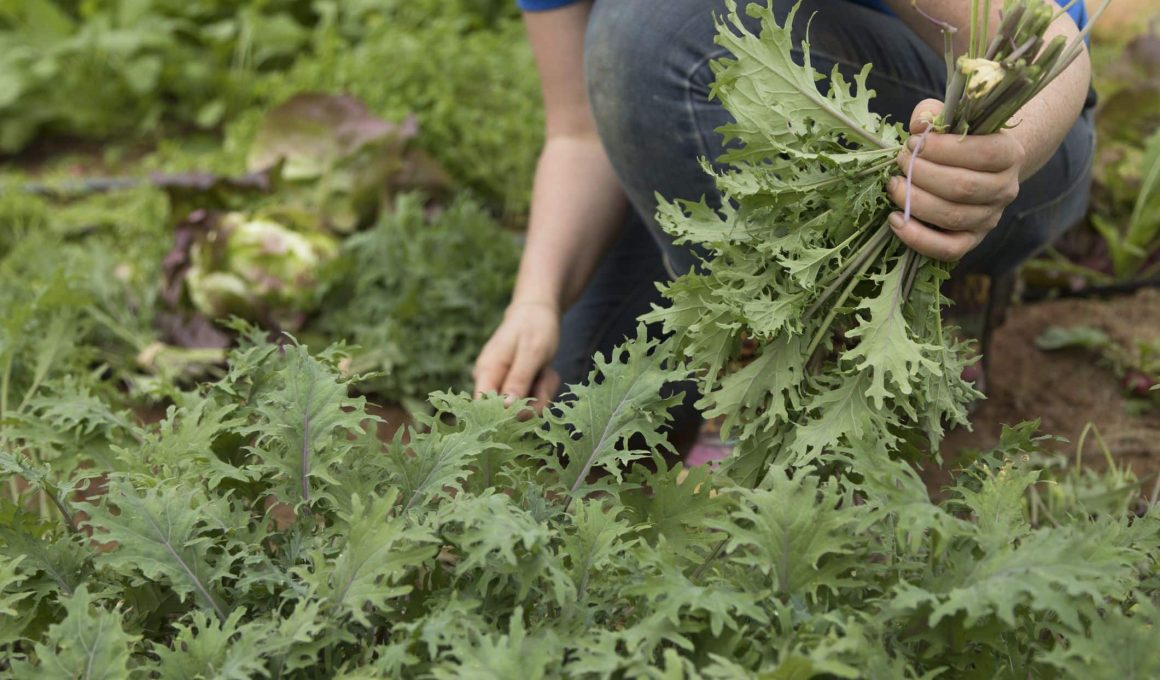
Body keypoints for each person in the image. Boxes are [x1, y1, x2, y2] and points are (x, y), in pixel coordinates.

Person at [472, 0, 1095, 442]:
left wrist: (999, 156)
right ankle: (763, 346)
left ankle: (789, 381)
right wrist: (534, 302)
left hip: (1010, 139)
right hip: (755, 135)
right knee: (581, 405)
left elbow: (1042, 47)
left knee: (653, 29)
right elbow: (578, 132)